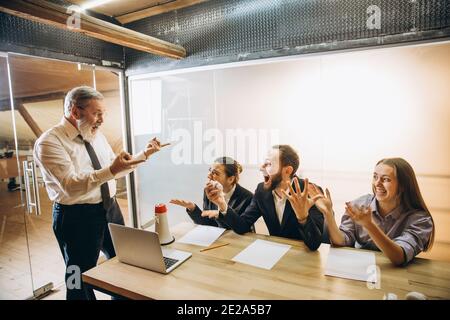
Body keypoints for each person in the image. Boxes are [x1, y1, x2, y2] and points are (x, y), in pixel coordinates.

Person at [33, 86, 168, 300]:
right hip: (76, 217)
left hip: (109, 209)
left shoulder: (96, 135)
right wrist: (112, 170)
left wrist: (145, 154)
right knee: (77, 274)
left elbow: (113, 170)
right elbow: (70, 184)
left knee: (124, 261)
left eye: (103, 113)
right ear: (75, 112)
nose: (102, 119)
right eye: (97, 113)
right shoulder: (50, 142)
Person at [309, 157, 435, 266]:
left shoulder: (420, 219)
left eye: (385, 179)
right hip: (358, 271)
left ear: (403, 186)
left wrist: (369, 225)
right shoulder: (359, 204)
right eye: (375, 177)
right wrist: (328, 213)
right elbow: (342, 241)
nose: (377, 183)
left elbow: (399, 257)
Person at [203, 145, 324, 251]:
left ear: (287, 170)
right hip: (274, 254)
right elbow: (242, 226)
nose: (261, 168)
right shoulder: (262, 191)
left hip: (303, 261)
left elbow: (314, 245)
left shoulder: (309, 192)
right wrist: (222, 204)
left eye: (268, 164)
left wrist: (303, 217)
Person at [170, 157, 253, 229]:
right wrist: (193, 209)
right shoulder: (209, 191)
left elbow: (239, 228)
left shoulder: (247, 198)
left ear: (231, 179)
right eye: (210, 170)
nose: (208, 175)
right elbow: (209, 223)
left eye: (215, 173)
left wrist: (220, 212)